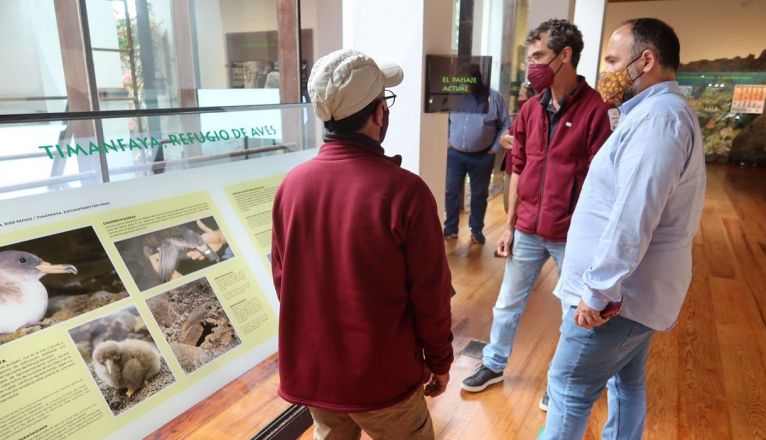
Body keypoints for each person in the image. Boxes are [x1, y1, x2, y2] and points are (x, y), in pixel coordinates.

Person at [271, 49, 454, 440]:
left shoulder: (292, 186)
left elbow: (284, 281)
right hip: (383, 380)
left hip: (318, 377)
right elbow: (430, 294)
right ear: (378, 115)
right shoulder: (406, 192)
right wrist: (439, 359)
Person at [540, 18, 706, 439]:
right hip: (630, 297)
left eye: (614, 60)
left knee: (568, 388)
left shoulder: (658, 120)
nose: (607, 72)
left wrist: (596, 293)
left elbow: (633, 217)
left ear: (644, 60)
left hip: (614, 301)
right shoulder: (657, 114)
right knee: (626, 381)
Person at [461, 19, 615, 405]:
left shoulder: (597, 111)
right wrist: (510, 226)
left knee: (570, 312)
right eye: (530, 57)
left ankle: (560, 379)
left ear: (565, 55)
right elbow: (518, 168)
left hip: (571, 236)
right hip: (527, 228)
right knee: (507, 303)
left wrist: (591, 240)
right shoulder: (530, 109)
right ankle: (494, 364)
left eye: (538, 56)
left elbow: (602, 185)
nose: (532, 65)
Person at [444, 65, 510, 244]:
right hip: (455, 154)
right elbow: (444, 119)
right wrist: (448, 140)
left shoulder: (494, 98)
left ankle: (476, 230)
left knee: (479, 194)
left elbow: (506, 125)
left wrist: (494, 148)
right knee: (451, 192)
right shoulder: (454, 95)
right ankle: (450, 228)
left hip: (482, 156)